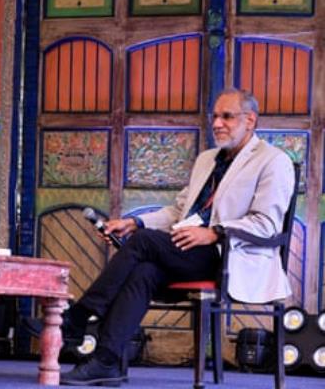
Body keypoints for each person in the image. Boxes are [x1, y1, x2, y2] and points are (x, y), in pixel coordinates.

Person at [26, 88, 295, 387]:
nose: (217, 123)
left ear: (251, 120)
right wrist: (135, 221)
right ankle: (106, 361)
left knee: (143, 243)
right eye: (215, 116)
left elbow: (267, 224)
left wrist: (214, 233)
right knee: (144, 271)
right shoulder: (207, 159)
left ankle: (77, 319)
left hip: (230, 257)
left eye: (227, 117)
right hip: (186, 250)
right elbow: (179, 210)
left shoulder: (274, 161)